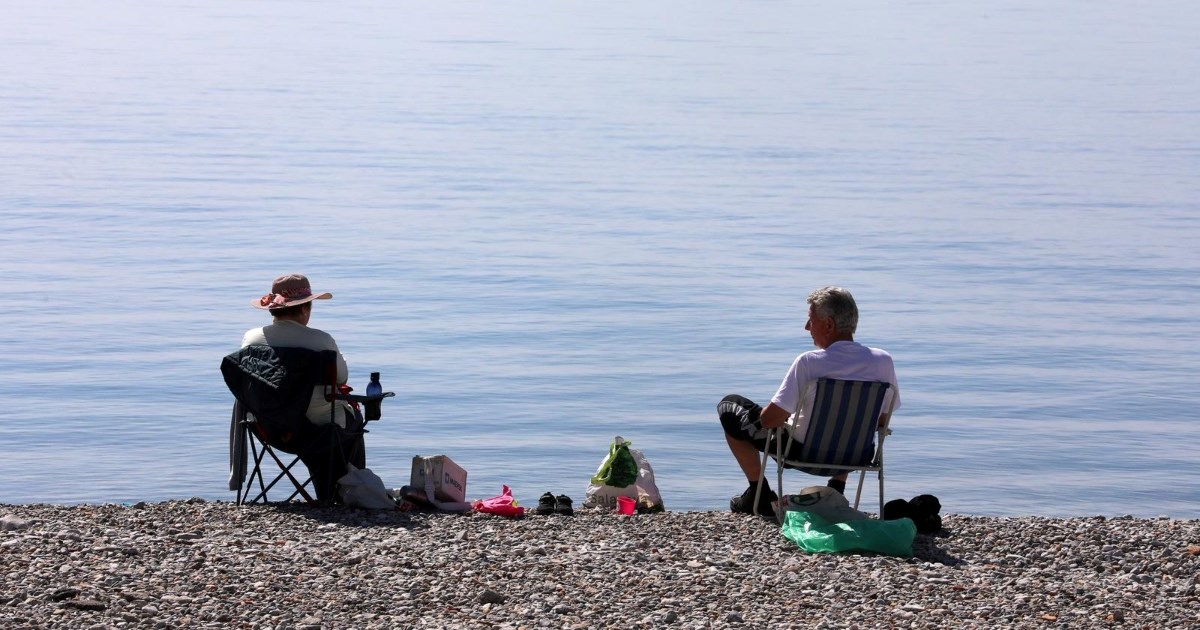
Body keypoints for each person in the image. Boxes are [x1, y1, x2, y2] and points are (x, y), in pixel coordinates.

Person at [718, 286, 899, 515]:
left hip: (803, 453)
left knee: (729, 407)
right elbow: (880, 420)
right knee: (850, 420)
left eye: (810, 320)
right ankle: (836, 491)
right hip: (856, 455)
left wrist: (773, 413)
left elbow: (770, 420)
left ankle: (759, 493)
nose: (807, 328)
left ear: (829, 324)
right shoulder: (883, 361)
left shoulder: (809, 362)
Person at [241, 273, 365, 501]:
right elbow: (342, 378)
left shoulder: (251, 339)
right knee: (353, 417)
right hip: (321, 430)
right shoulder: (321, 342)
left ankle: (331, 488)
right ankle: (348, 492)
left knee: (319, 417)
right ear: (305, 309)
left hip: (269, 429)